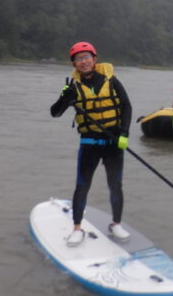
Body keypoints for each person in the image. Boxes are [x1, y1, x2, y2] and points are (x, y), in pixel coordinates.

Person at [50, 41, 132, 247]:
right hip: (89, 143)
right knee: (82, 186)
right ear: (74, 64)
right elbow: (55, 113)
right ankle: (77, 228)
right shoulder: (73, 87)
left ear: (94, 59)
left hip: (113, 142)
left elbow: (126, 106)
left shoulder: (111, 81)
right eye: (79, 59)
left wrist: (124, 132)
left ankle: (116, 224)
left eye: (87, 57)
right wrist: (64, 98)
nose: (84, 61)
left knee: (116, 185)